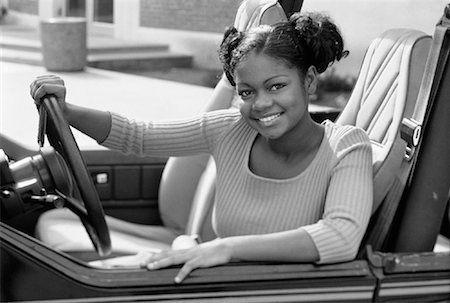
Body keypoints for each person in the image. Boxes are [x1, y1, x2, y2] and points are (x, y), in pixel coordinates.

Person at [30, 11, 373, 284]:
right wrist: (66, 110)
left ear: (309, 80)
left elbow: (340, 237)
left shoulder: (346, 146)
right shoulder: (231, 129)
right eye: (246, 92)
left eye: (277, 86)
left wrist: (222, 249)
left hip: (275, 290)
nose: (261, 104)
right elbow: (139, 136)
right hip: (214, 283)